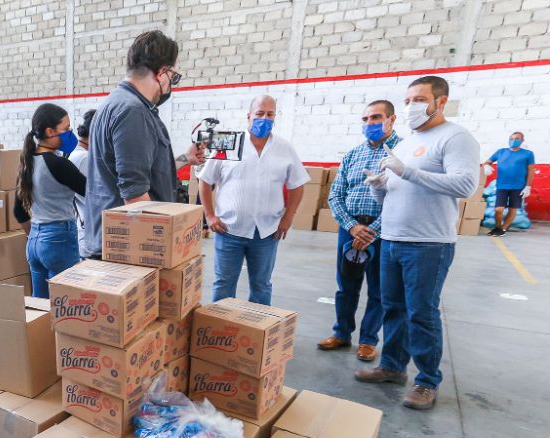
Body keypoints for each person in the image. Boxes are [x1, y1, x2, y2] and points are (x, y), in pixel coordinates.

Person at [358, 75, 479, 410]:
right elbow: (394, 193)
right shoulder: (405, 143)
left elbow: (465, 185)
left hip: (428, 244)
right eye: (408, 100)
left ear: (441, 102)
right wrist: (378, 187)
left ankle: (426, 381)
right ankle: (393, 367)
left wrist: (406, 172)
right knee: (393, 307)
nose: (412, 106)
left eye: (420, 99)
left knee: (421, 313)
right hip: (392, 239)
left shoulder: (455, 138)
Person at [82, 30, 204, 259]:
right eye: (173, 77)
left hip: (115, 243)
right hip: (129, 249)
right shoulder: (133, 112)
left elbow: (141, 170)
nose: (172, 84)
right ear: (161, 73)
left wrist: (185, 158)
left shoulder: (114, 104)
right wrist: (169, 246)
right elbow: (135, 196)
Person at [198, 94, 309, 305]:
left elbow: (297, 185)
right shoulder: (227, 142)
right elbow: (205, 180)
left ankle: (258, 324)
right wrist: (209, 216)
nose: (264, 118)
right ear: (248, 116)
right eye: (260, 113)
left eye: (270, 114)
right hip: (228, 229)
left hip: (267, 232)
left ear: (275, 117)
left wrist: (288, 218)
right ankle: (220, 324)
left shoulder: (285, 148)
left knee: (261, 285)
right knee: (224, 283)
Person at [318, 101, 402, 362]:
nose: (369, 124)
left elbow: (403, 199)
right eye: (365, 119)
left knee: (379, 289)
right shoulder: (352, 154)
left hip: (384, 232)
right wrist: (352, 226)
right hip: (350, 229)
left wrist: (372, 231)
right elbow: (335, 195)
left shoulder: (403, 153)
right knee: (346, 285)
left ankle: (368, 340)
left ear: (391, 119)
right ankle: (342, 333)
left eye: (376, 117)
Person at [14, 103, 85, 298]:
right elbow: (92, 192)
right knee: (65, 304)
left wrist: (38, 233)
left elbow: (19, 211)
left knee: (41, 307)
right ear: (49, 131)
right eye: (66, 128)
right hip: (59, 241)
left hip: (34, 243)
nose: (70, 133)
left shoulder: (27, 163)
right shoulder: (59, 164)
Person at [483, 131, 535, 236]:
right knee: (498, 209)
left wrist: (528, 186)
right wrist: (486, 166)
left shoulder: (528, 154)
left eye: (517, 138)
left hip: (518, 187)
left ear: (522, 140)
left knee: (513, 208)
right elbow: (487, 162)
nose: (513, 140)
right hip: (501, 185)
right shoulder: (501, 152)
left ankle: (503, 229)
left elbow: (531, 171)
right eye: (511, 138)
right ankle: (497, 227)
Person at [69, 109, 95, 257]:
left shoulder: (76, 154)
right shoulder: (84, 158)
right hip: (90, 234)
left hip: (86, 230)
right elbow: (95, 197)